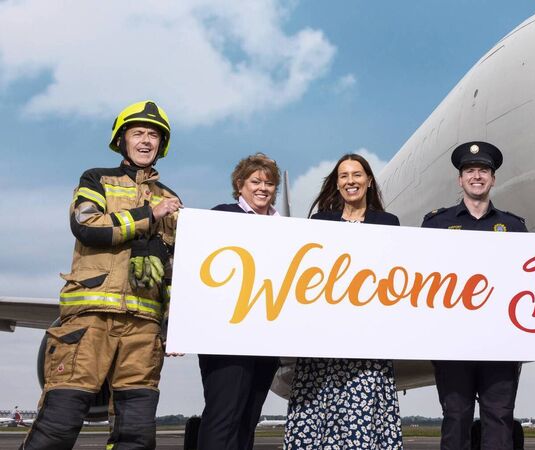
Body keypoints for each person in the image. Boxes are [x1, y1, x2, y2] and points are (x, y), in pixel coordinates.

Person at [21, 100, 181, 449]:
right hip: (90, 320)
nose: (145, 141)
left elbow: (173, 271)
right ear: (121, 140)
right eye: (137, 133)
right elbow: (86, 225)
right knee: (59, 422)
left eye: (153, 135)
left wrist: (174, 325)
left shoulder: (171, 199)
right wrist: (149, 216)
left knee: (136, 432)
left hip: (144, 327)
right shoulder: (96, 179)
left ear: (161, 145)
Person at [284, 154, 403, 449]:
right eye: (344, 176)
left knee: (363, 414)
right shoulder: (320, 222)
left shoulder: (388, 223)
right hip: (324, 338)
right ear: (337, 184)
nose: (351, 181)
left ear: (369, 181)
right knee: (320, 414)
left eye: (357, 174)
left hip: (367, 339)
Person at [421, 141, 526, 450]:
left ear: (493, 179)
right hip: (453, 340)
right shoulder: (436, 224)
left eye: (483, 171)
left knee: (499, 418)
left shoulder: (513, 226)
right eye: (470, 171)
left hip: (500, 341)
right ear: (460, 180)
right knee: (456, 417)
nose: (476, 176)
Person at [196, 153, 282, 450]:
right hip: (227, 335)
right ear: (239, 184)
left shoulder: (286, 228)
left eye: (269, 183)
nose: (262, 188)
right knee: (224, 416)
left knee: (248, 417)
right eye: (255, 181)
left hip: (266, 336)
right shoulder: (223, 216)